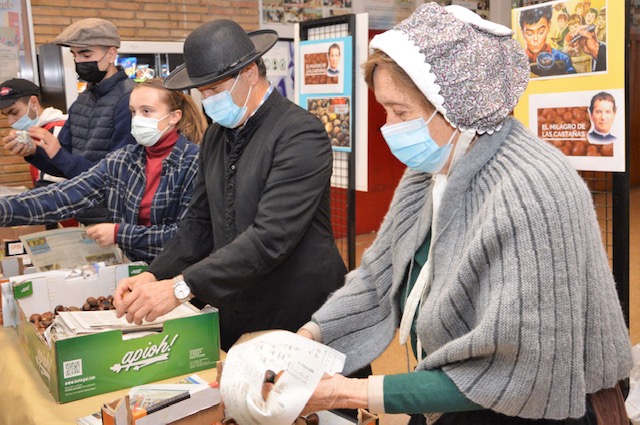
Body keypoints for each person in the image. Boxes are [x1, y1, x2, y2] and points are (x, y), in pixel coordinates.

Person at [295, 4, 631, 424]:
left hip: (537, 407)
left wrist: (348, 391)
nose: (389, 127)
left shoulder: (534, 190)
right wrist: (308, 337)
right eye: (385, 110)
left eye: (401, 112)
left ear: (458, 105)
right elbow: (378, 279)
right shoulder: (429, 171)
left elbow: (519, 367)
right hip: (449, 390)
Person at [113, 19, 348, 352]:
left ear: (250, 73)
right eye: (201, 90)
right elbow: (199, 221)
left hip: (296, 305)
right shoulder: (216, 135)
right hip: (238, 298)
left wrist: (180, 288)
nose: (207, 99)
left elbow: (271, 237)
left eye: (215, 89)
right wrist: (155, 275)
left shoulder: (299, 133)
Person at [0, 79, 204, 263]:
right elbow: (63, 197)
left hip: (181, 275)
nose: (137, 119)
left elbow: (187, 234)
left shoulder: (194, 161)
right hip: (136, 269)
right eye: (133, 111)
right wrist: (4, 210)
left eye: (147, 111)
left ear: (174, 117)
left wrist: (119, 233)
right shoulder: (124, 160)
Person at [25, 18, 137, 224]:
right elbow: (63, 165)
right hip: (87, 212)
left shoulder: (130, 99)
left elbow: (116, 175)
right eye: (75, 55)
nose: (79, 62)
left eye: (86, 54)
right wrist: (34, 153)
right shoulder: (83, 99)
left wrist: (58, 153)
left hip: (118, 218)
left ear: (111, 54)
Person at [0, 78, 67, 188]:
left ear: (34, 102)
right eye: (6, 115)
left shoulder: (58, 130)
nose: (10, 121)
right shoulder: (34, 132)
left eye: (14, 112)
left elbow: (56, 185)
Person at [520, 5, 576, 76]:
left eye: (541, 32)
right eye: (530, 33)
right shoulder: (518, 62)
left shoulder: (563, 59)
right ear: (522, 32)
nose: (536, 39)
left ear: (549, 26)